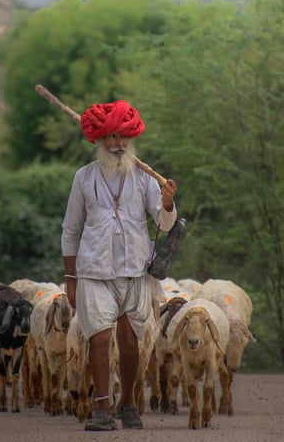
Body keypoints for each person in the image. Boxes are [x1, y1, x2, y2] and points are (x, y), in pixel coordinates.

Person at [61, 99, 177, 431]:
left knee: (129, 343)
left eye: (123, 138)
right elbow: (70, 230)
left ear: (131, 139)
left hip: (135, 272)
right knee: (98, 340)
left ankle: (128, 403)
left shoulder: (144, 179)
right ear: (99, 141)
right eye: (111, 138)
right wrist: (70, 278)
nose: (118, 145)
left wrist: (167, 203)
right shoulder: (83, 178)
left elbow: (165, 223)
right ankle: (101, 409)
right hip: (94, 273)